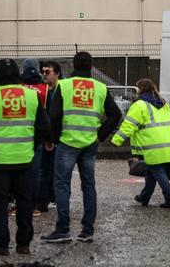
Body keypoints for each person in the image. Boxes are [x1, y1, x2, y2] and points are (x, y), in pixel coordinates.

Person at [41, 51, 121, 244]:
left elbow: (54, 115)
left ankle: (63, 229)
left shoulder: (65, 85)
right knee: (89, 186)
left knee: (62, 185)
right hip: (90, 143)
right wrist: (100, 135)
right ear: (91, 66)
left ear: (73, 66)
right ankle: (87, 230)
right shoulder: (100, 88)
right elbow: (115, 114)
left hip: (67, 143)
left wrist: (54, 138)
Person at [0, 59, 50, 256]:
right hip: (24, 158)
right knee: (25, 202)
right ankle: (23, 243)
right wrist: (32, 145)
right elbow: (44, 127)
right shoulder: (32, 96)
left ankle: (0, 243)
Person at [111, 78, 170, 208]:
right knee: (151, 171)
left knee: (158, 172)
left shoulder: (140, 105)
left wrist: (116, 140)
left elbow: (129, 125)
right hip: (169, 145)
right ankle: (144, 197)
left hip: (153, 147)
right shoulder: (166, 105)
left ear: (140, 90)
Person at [20, 58, 48, 218]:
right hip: (37, 132)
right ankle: (35, 203)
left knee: (19, 170)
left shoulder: (18, 87)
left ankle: (18, 202)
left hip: (19, 133)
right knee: (37, 171)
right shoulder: (43, 88)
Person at [37, 60, 62, 212]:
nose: (44, 75)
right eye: (43, 72)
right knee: (44, 169)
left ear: (57, 73)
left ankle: (53, 197)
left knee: (55, 169)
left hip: (57, 134)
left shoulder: (61, 89)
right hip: (45, 134)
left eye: (48, 72)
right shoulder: (42, 89)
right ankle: (44, 198)